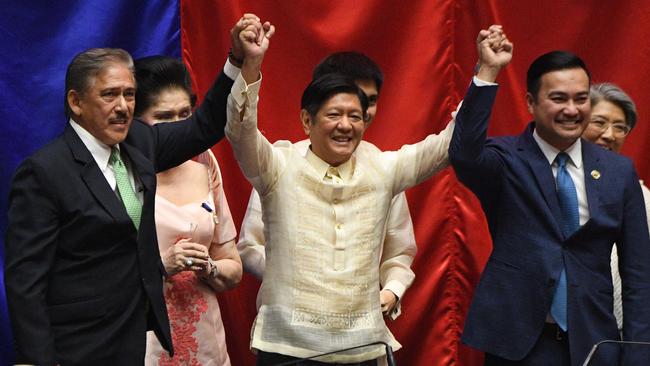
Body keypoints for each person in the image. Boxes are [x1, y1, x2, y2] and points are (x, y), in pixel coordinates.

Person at [3, 15, 273, 365]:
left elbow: (205, 126)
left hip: (137, 341)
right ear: (75, 102)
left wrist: (237, 60)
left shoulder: (139, 142)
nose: (123, 107)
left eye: (129, 95)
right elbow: (26, 282)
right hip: (77, 347)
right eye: (109, 95)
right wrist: (39, 359)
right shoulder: (44, 172)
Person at [226, 23, 463, 365]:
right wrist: (249, 66)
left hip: (362, 345)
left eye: (357, 114)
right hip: (288, 346)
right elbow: (240, 130)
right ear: (307, 120)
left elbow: (443, 148)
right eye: (335, 114)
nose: (347, 124)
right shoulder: (278, 166)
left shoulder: (383, 170)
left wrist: (486, 75)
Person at [448, 27, 650, 365]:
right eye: (559, 98)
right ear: (531, 102)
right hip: (520, 343)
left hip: (594, 341)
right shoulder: (507, 158)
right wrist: (488, 71)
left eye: (581, 98)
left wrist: (638, 354)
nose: (572, 110)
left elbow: (638, 274)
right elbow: (464, 154)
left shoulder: (619, 172)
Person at [237, 52, 417, 319]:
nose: (362, 111)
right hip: (289, 326)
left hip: (359, 330)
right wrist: (296, 277)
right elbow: (251, 245)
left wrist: (391, 290)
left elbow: (399, 250)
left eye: (369, 101)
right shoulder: (279, 163)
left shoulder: (384, 167)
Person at [133, 56, 242, 366]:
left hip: (205, 338)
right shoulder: (122, 171)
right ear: (138, 124)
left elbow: (232, 264)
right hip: (145, 341)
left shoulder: (204, 162)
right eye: (165, 117)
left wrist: (211, 268)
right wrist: (161, 265)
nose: (179, 126)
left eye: (185, 114)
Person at [580, 82, 650, 332]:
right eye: (599, 123)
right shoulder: (552, 179)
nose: (609, 135)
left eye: (620, 128)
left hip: (617, 331)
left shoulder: (642, 197)